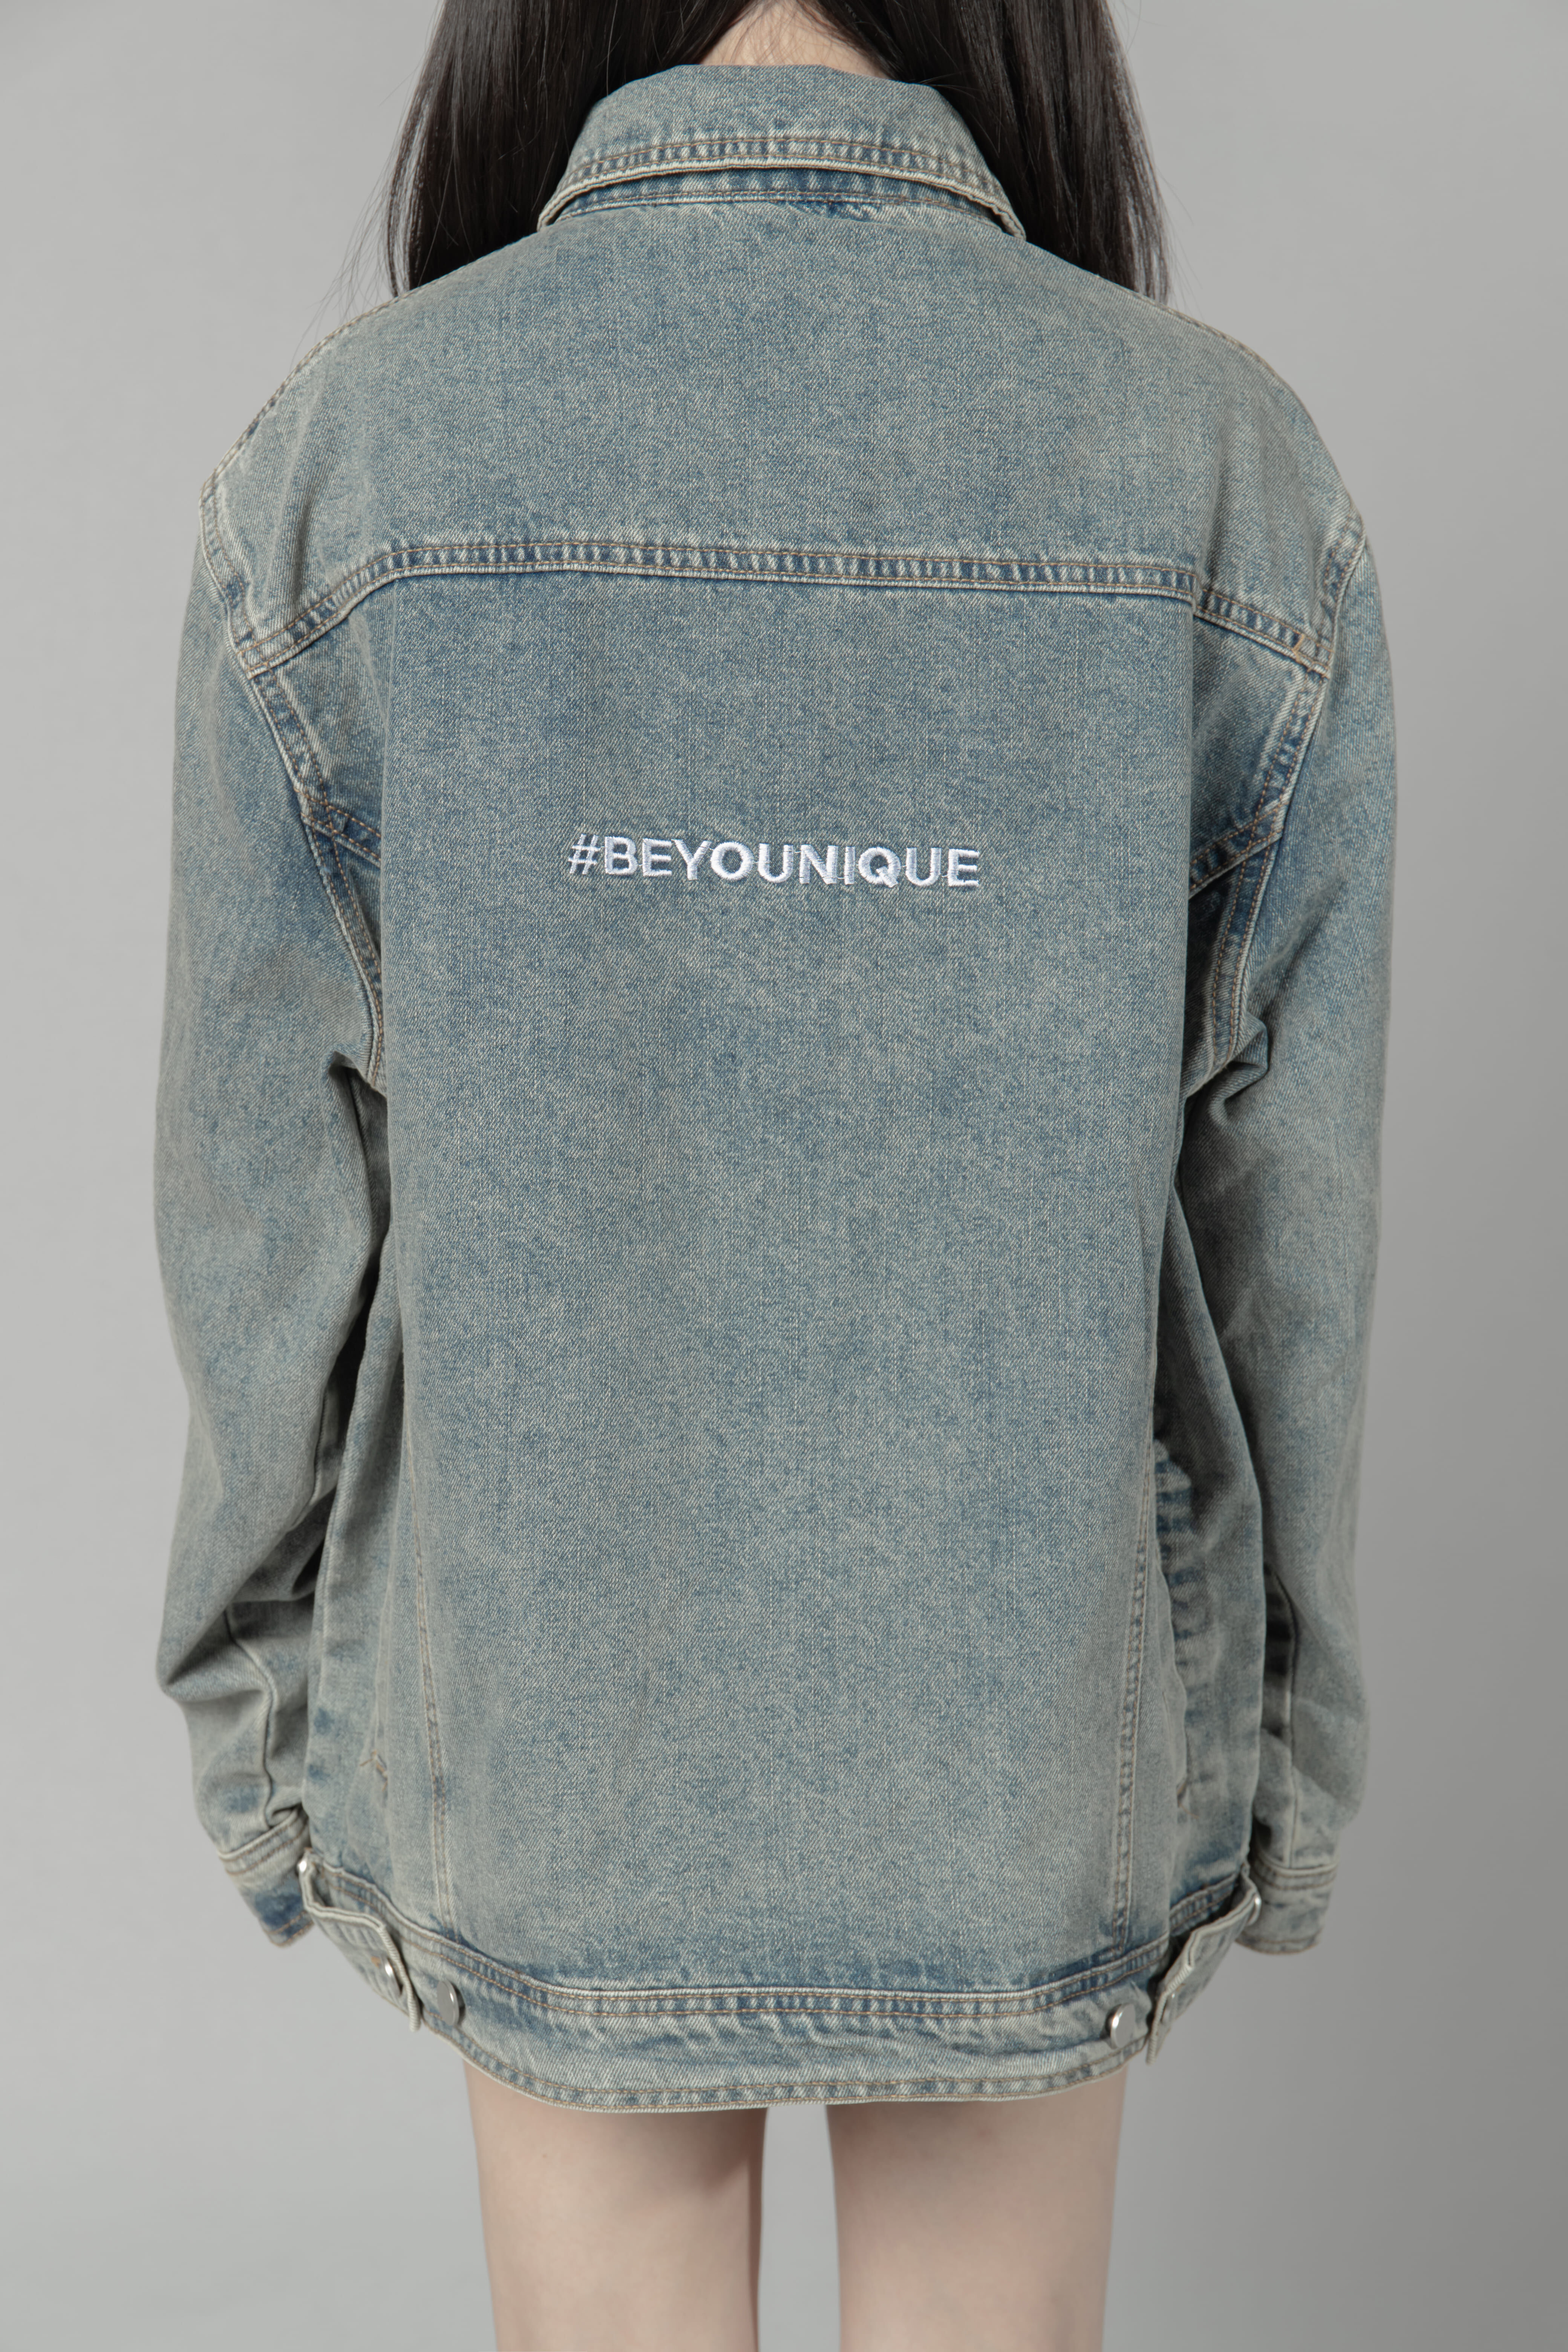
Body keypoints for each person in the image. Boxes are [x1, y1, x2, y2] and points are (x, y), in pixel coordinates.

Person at [153, 2, 1395, 2344]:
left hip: (546, 1728)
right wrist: (1282, 1763)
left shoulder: (354, 466)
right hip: (1030, 1734)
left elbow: (261, 1220)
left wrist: (264, 1734)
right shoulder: (1216, 471)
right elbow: (1285, 1239)